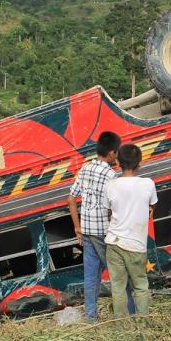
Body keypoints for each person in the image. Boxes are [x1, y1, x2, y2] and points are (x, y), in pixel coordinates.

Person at [69, 131, 121, 322]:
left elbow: (71, 198)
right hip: (104, 233)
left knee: (91, 275)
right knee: (118, 274)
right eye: (117, 152)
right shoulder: (111, 175)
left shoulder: (85, 168)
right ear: (112, 153)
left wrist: (77, 226)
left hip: (87, 232)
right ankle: (126, 312)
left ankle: (91, 316)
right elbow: (113, 206)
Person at [104, 143, 158, 319]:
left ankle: (122, 325)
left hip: (114, 243)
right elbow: (152, 206)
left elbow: (108, 211)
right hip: (136, 245)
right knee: (141, 286)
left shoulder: (110, 185)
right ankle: (143, 323)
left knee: (118, 287)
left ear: (118, 163)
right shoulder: (148, 184)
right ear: (139, 163)